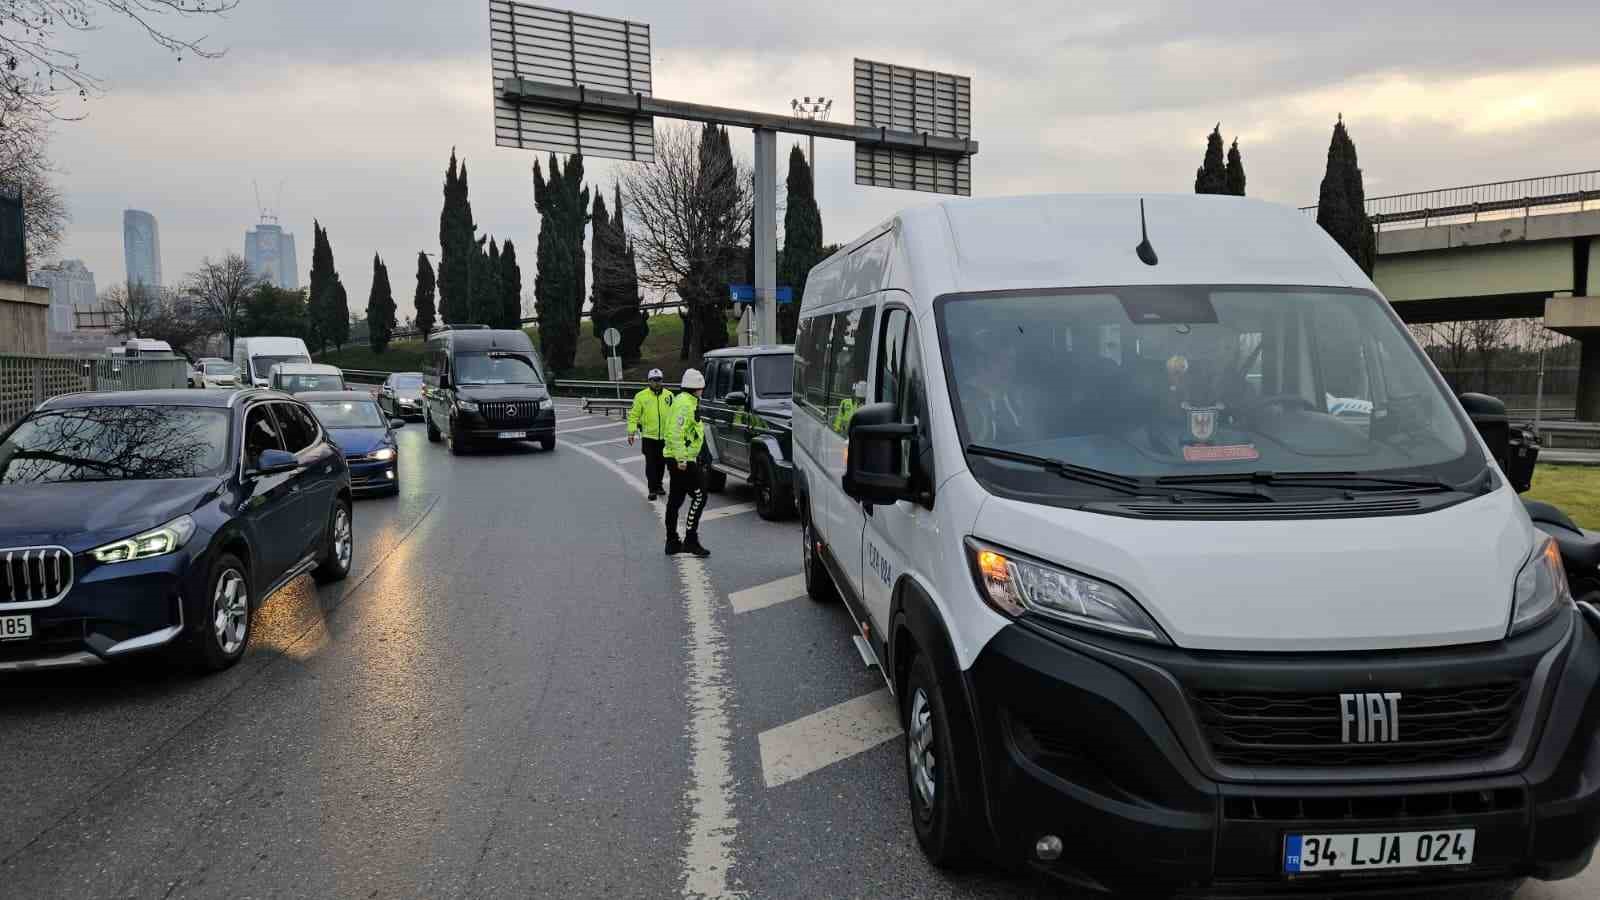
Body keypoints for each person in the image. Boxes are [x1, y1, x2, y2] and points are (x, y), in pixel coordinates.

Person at [664, 368, 711, 558]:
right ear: (695, 388)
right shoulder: (685, 404)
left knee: (675, 500)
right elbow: (676, 432)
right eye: (701, 387)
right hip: (682, 460)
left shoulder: (687, 401)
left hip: (679, 457)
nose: (702, 390)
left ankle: (672, 542)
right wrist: (682, 459)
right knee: (700, 496)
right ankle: (690, 540)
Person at [627, 368, 674, 500]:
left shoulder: (669, 396)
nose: (656, 383)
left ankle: (659, 485)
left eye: (658, 380)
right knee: (651, 464)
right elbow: (634, 416)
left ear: (662, 380)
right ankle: (652, 489)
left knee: (661, 464)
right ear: (649, 382)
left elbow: (674, 415)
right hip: (649, 437)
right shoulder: (641, 396)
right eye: (653, 380)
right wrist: (631, 432)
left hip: (665, 437)